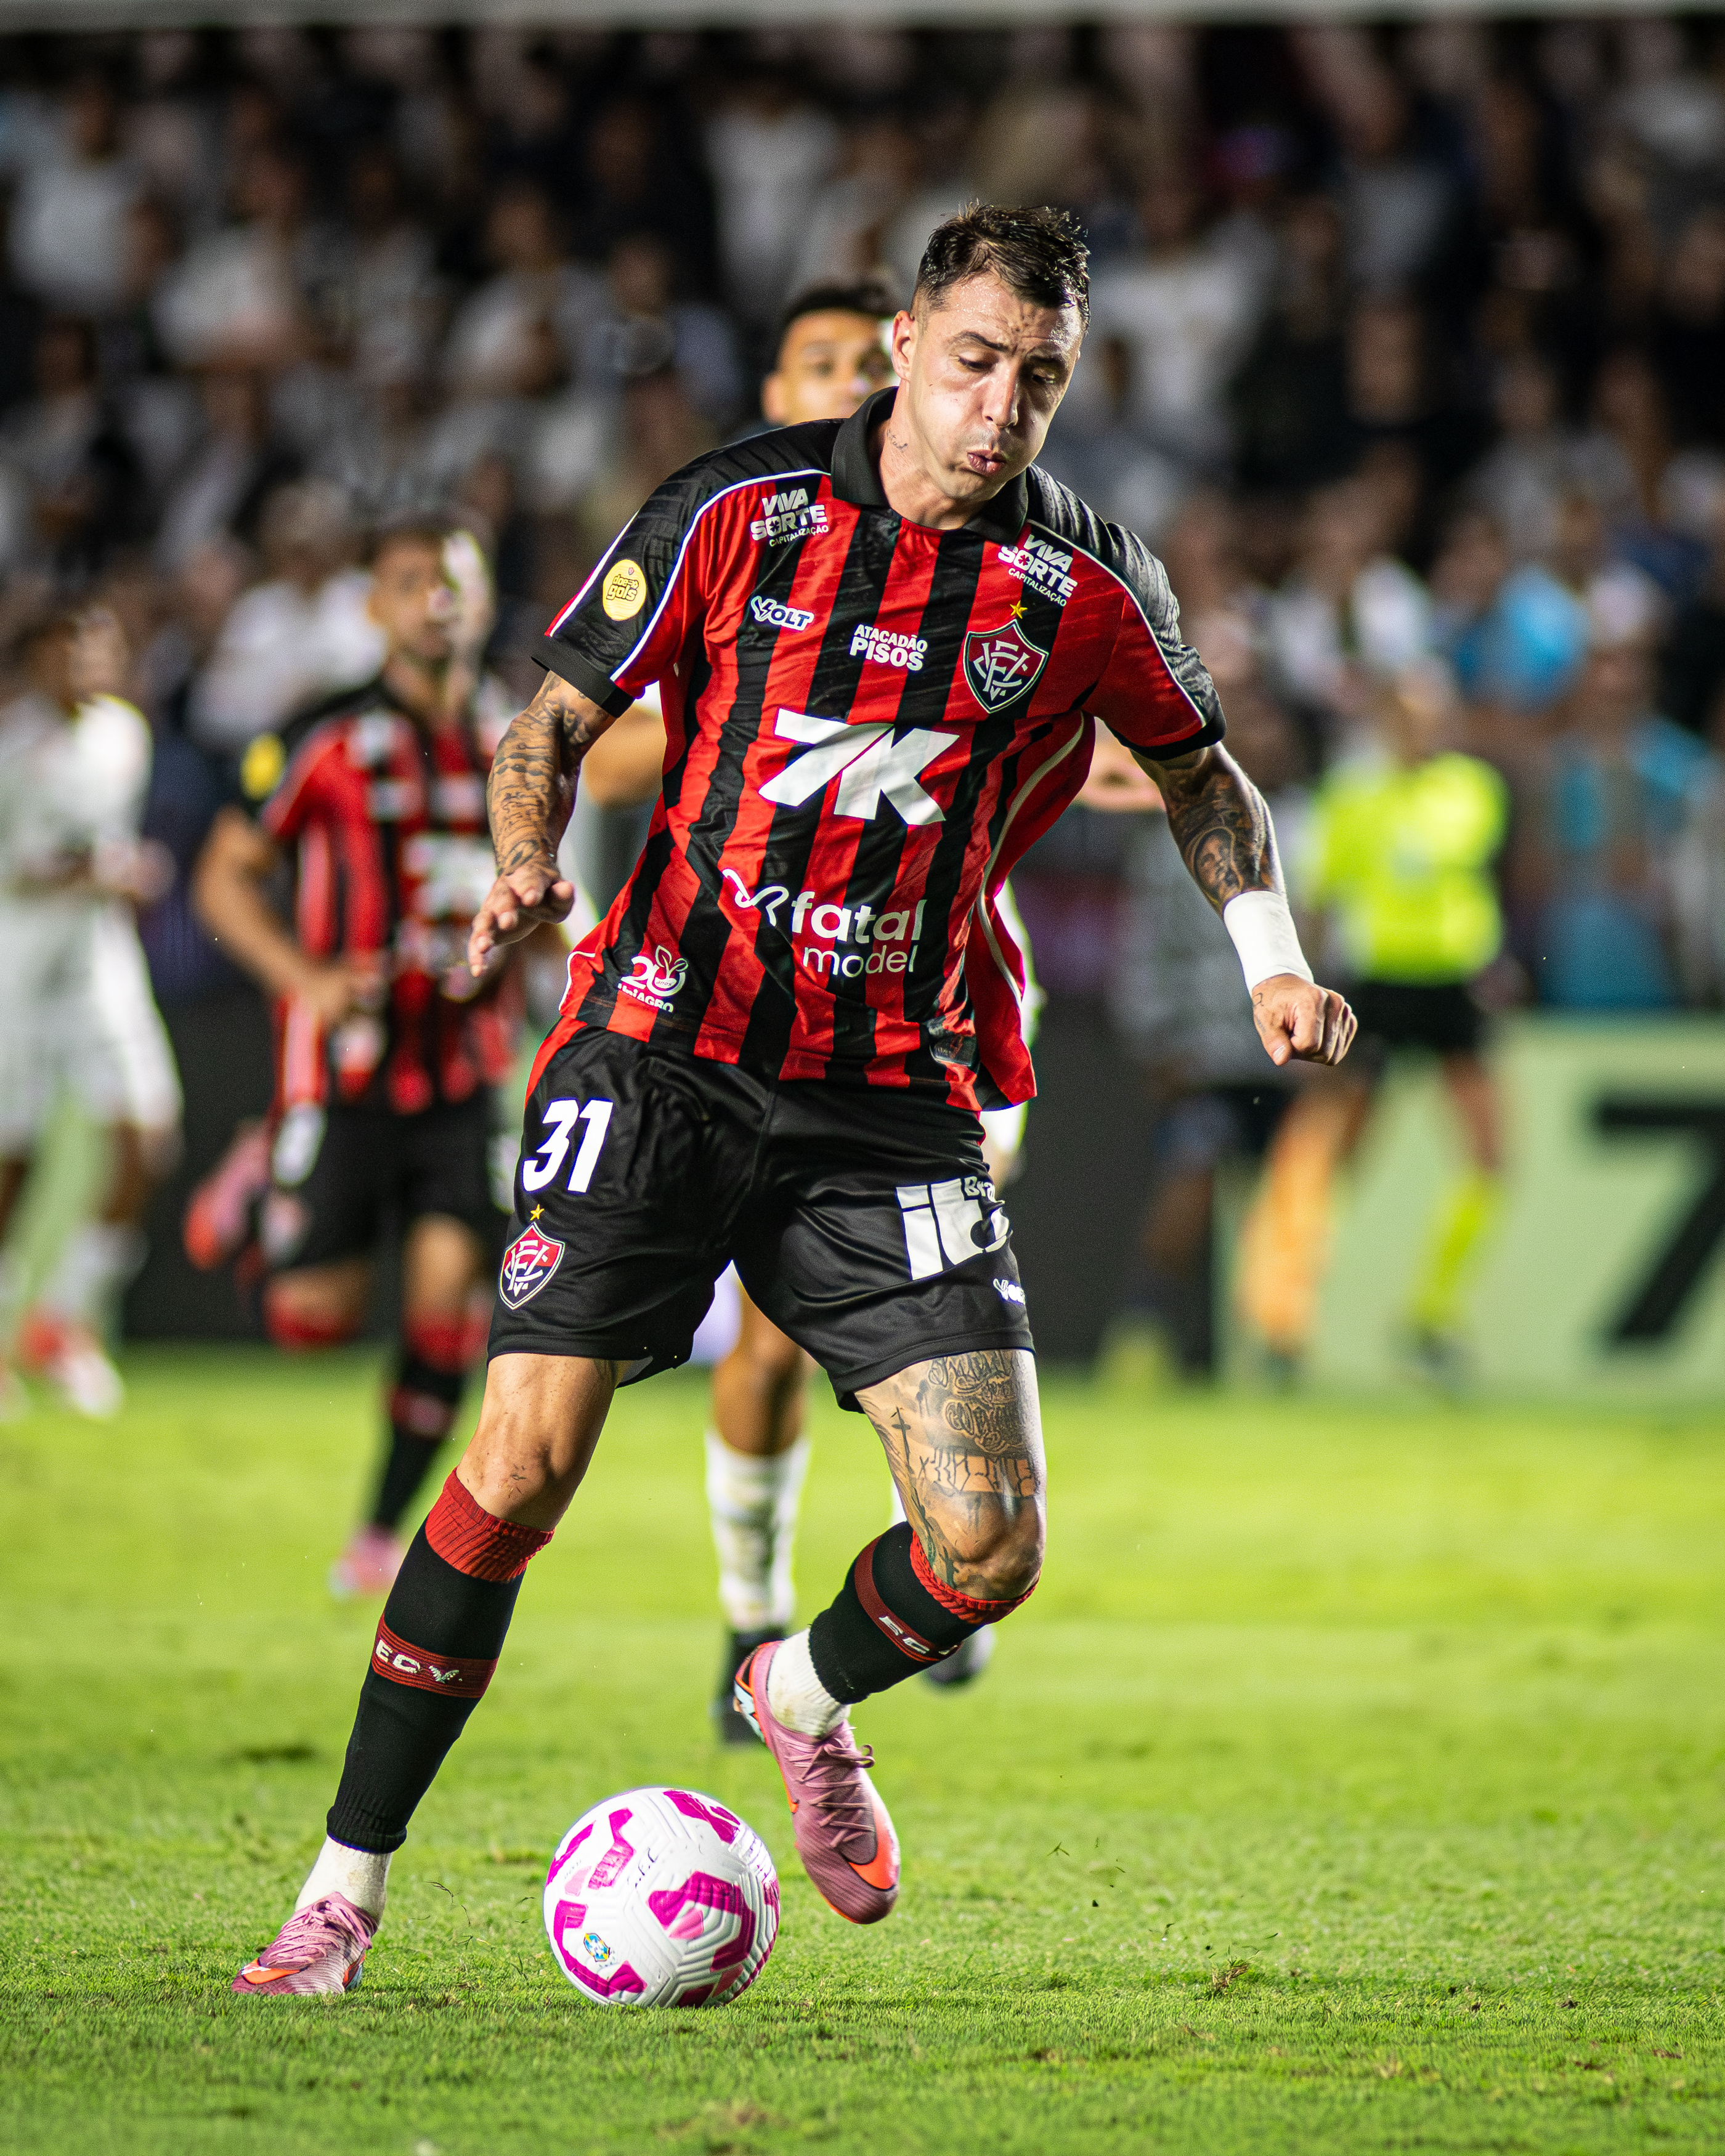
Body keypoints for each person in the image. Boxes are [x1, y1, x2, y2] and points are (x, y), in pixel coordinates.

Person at [231, 203, 1353, 1998]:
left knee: (990, 1546)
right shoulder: (735, 510)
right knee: (518, 1462)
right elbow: (545, 721)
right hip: (666, 1043)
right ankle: (340, 1890)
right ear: (904, 342)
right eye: (977, 361)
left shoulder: (1078, 584)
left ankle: (799, 1688)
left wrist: (1270, 955)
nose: (1001, 410)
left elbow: (1208, 782)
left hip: (893, 1091)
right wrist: (520, 861)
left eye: (1041, 379)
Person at [583, 277, 1008, 1738]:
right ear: (775, 392)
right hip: (738, 999)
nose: (841, 385)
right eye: (811, 365)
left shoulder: (998, 553)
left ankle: (934, 1562)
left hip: (942, 1000)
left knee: (927, 1315)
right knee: (767, 1343)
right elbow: (599, 747)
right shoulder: (735, 539)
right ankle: (757, 1615)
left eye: (858, 361)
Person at [193, 517, 526, 1597]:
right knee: (311, 1320)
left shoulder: (522, 738)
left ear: (482, 602)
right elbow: (224, 877)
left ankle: (382, 1534)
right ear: (374, 607)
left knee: (449, 1301)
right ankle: (262, 1178)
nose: (436, 600)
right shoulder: (321, 736)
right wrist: (306, 979)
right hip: (341, 1072)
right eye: (411, 583)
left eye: (454, 583)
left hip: (469, 1068)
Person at [1237, 663, 1507, 1382]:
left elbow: (1477, 886)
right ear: (1385, 721)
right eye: (1405, 715)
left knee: (1489, 1158)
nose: (1418, 729)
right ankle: (1282, 1322)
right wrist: (1311, 988)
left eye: (1428, 714)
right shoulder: (1353, 799)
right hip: (1381, 986)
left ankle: (1431, 1313)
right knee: (1331, 1156)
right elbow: (1322, 902)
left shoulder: (1472, 791)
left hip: (1452, 983)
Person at [0, 605, 181, 1417]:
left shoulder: (123, 736)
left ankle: (61, 1322)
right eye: (67, 644)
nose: (84, 659)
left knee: (149, 1136)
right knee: (14, 1161)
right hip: (19, 960)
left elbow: (109, 846)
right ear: (39, 657)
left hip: (100, 958)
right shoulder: (10, 747)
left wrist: (120, 871)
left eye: (97, 644)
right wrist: (73, 870)